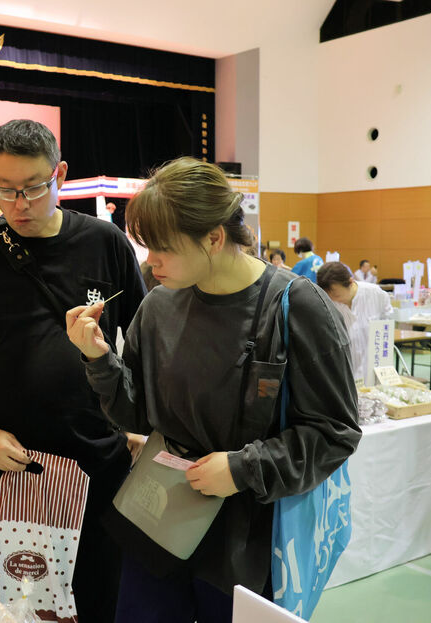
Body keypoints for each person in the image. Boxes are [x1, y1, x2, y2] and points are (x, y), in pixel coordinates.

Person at [65, 157, 361, 623]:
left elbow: (336, 432)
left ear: (214, 238)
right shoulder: (159, 304)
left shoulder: (295, 306)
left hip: (245, 539)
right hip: (158, 515)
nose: (150, 261)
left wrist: (243, 468)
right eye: (146, 248)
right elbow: (138, 415)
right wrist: (99, 359)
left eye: (162, 248)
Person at [0, 119, 148, 622]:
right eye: (2, 189)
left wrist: (136, 423)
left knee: (95, 599)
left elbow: (142, 339)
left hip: (93, 463)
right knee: (4, 607)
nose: (17, 204)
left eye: (31, 188)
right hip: (1, 466)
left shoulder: (105, 243)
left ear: (60, 175)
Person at [317, 261, 393, 384]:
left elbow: (387, 328)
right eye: (329, 296)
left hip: (374, 369)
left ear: (350, 282)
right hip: (344, 373)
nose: (334, 299)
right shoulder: (326, 303)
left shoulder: (376, 294)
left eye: (336, 294)